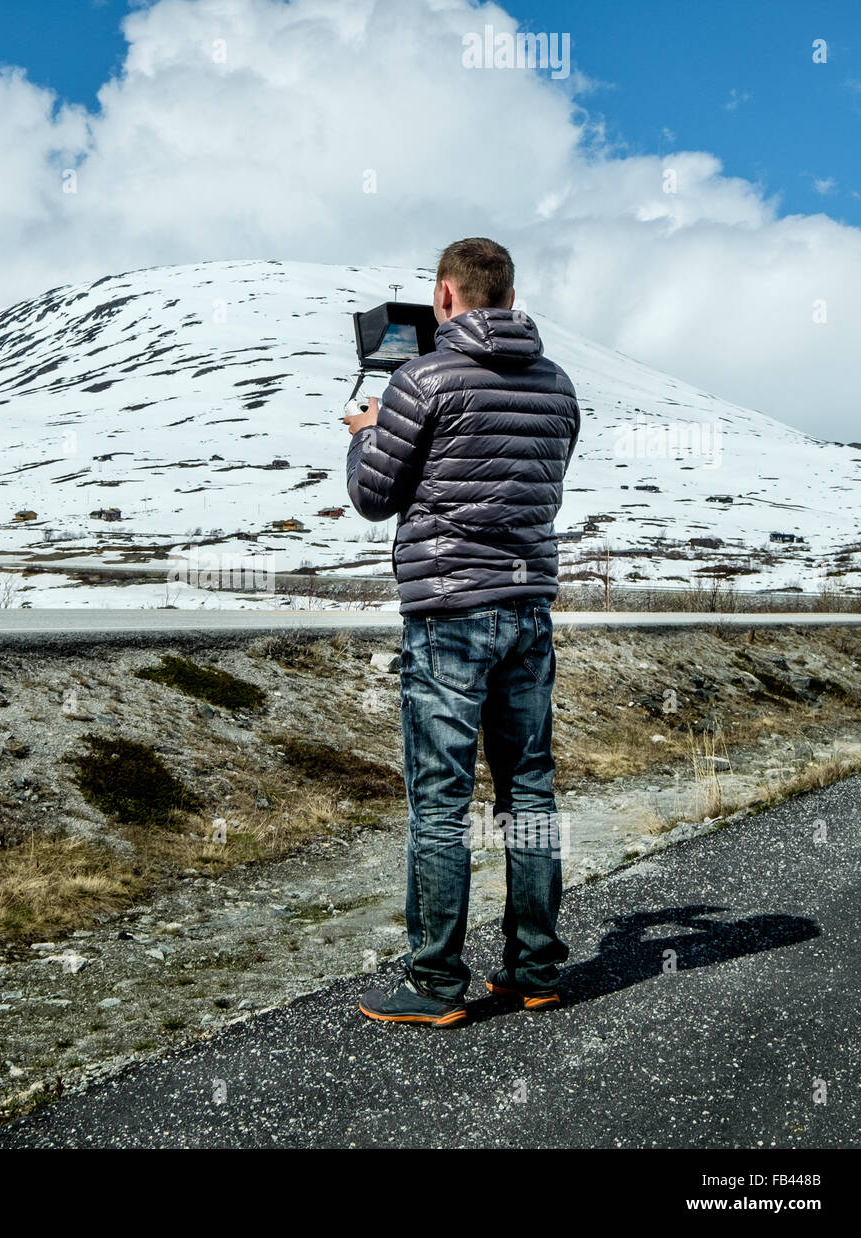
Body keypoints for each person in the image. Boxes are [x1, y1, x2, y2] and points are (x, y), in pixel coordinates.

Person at [344, 237, 581, 1026]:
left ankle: (437, 983)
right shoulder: (558, 384)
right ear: (508, 295)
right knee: (531, 790)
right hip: (529, 610)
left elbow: (377, 496)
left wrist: (364, 433)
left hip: (448, 613)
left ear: (446, 296)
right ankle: (535, 969)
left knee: (442, 799)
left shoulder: (423, 377)